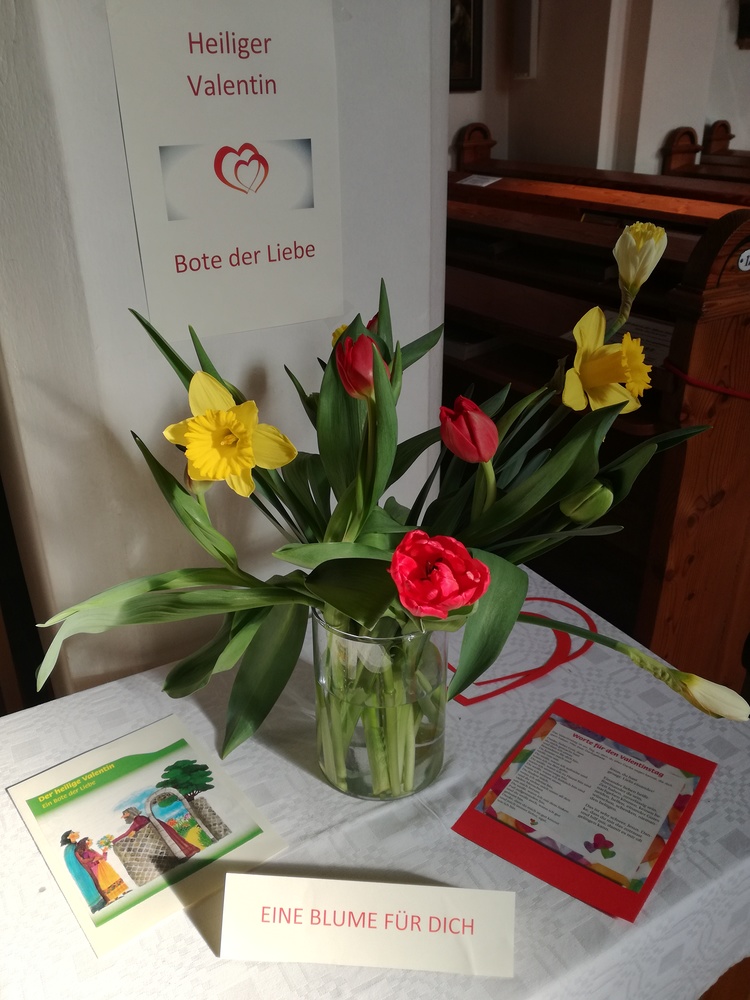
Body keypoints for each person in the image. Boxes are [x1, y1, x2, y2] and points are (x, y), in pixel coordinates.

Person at [60, 830, 106, 912]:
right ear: (69, 837)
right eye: (73, 833)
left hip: (81, 870)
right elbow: (80, 860)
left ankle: (98, 903)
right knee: (89, 884)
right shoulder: (71, 848)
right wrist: (92, 859)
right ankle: (98, 904)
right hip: (81, 870)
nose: (76, 833)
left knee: (90, 884)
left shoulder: (72, 847)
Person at [74, 837, 129, 903]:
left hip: (103, 865)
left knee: (113, 877)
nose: (91, 841)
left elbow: (103, 858)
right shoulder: (85, 853)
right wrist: (94, 859)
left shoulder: (92, 850)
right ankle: (114, 896)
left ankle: (123, 891)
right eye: (88, 840)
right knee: (105, 882)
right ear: (85, 844)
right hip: (97, 868)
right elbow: (90, 862)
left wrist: (104, 852)